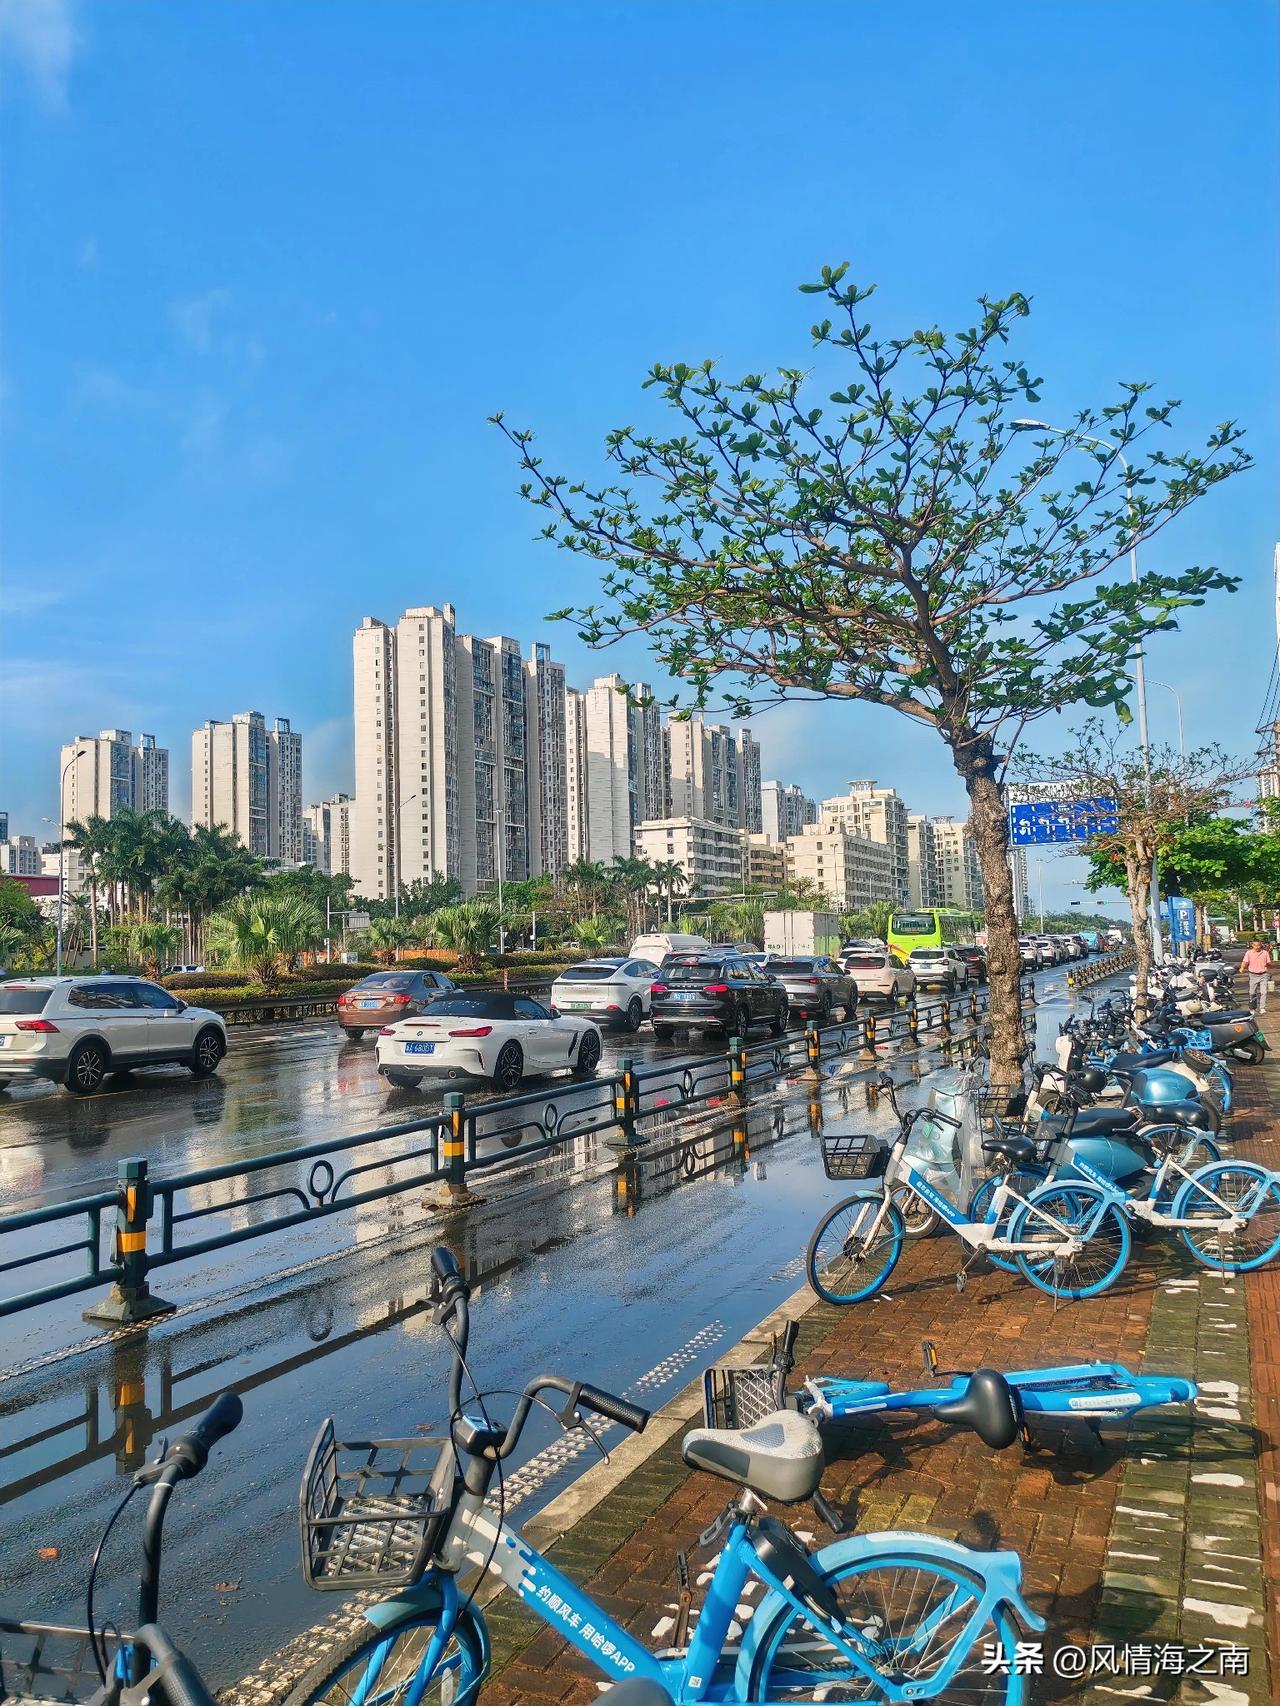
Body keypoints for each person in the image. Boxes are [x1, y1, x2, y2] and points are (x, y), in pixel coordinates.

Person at [1242, 938, 1274, 1014]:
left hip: (1263, 975)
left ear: (1260, 945)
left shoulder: (1265, 953)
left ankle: (1262, 1008)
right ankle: (1253, 1008)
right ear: (1252, 945)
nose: (1257, 947)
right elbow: (1245, 961)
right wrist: (1242, 968)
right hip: (1253, 975)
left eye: (1258, 945)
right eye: (1255, 945)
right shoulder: (1249, 953)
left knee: (1263, 992)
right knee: (1252, 993)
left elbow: (1269, 963)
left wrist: (1269, 965)